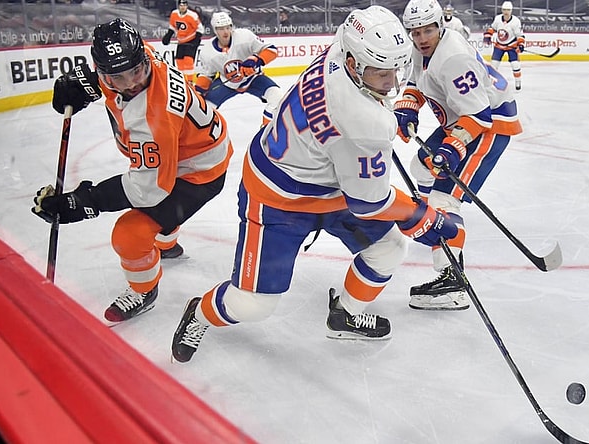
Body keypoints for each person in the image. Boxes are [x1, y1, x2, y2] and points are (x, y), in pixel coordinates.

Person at [170, 5, 460, 363]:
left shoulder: (343, 46)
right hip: (279, 196)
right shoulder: (362, 121)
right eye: (380, 73)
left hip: (327, 180)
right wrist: (423, 217)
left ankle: (346, 314)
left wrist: (390, 102)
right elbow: (370, 203)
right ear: (354, 64)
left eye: (395, 70)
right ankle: (199, 313)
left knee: (387, 248)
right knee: (252, 304)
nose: (391, 82)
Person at [33, 18, 233, 325]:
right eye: (117, 77)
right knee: (163, 204)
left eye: (135, 72)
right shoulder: (144, 58)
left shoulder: (153, 118)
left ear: (142, 58)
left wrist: (83, 201)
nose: (130, 83)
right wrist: (84, 83)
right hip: (188, 150)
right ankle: (168, 242)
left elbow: (147, 190)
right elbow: (118, 69)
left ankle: (144, 290)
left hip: (199, 172)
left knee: (130, 234)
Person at [395, 0, 522, 310]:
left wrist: (453, 147)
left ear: (440, 26)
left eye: (427, 30)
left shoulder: (454, 58)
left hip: (489, 124)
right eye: (415, 32)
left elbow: (479, 116)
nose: (421, 38)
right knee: (421, 167)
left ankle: (453, 279)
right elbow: (415, 82)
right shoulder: (422, 49)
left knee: (443, 198)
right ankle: (437, 229)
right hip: (461, 117)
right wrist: (408, 108)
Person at [194, 12, 283, 126]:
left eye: (228, 27)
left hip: (253, 78)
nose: (225, 32)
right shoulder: (207, 51)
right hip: (227, 84)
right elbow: (206, 75)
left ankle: (267, 131)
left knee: (277, 97)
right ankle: (207, 137)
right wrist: (199, 90)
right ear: (215, 30)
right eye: (221, 28)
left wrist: (256, 60)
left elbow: (272, 50)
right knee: (204, 109)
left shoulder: (244, 36)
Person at [483, 1, 525, 90]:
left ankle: (518, 82)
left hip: (511, 46)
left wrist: (520, 44)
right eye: (504, 10)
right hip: (499, 46)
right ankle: (492, 83)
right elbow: (492, 28)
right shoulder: (498, 19)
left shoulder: (516, 21)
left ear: (511, 11)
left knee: (515, 65)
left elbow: (519, 35)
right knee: (494, 66)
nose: (506, 12)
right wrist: (488, 36)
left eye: (508, 10)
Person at [161, 0, 204, 83]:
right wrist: (168, 36)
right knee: (179, 61)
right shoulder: (174, 14)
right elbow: (173, 26)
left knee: (188, 61)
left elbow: (200, 28)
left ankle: (190, 82)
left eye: (184, 5)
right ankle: (183, 81)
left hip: (191, 41)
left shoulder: (192, 15)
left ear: (187, 6)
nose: (182, 7)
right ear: (178, 6)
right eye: (181, 5)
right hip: (181, 41)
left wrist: (196, 40)